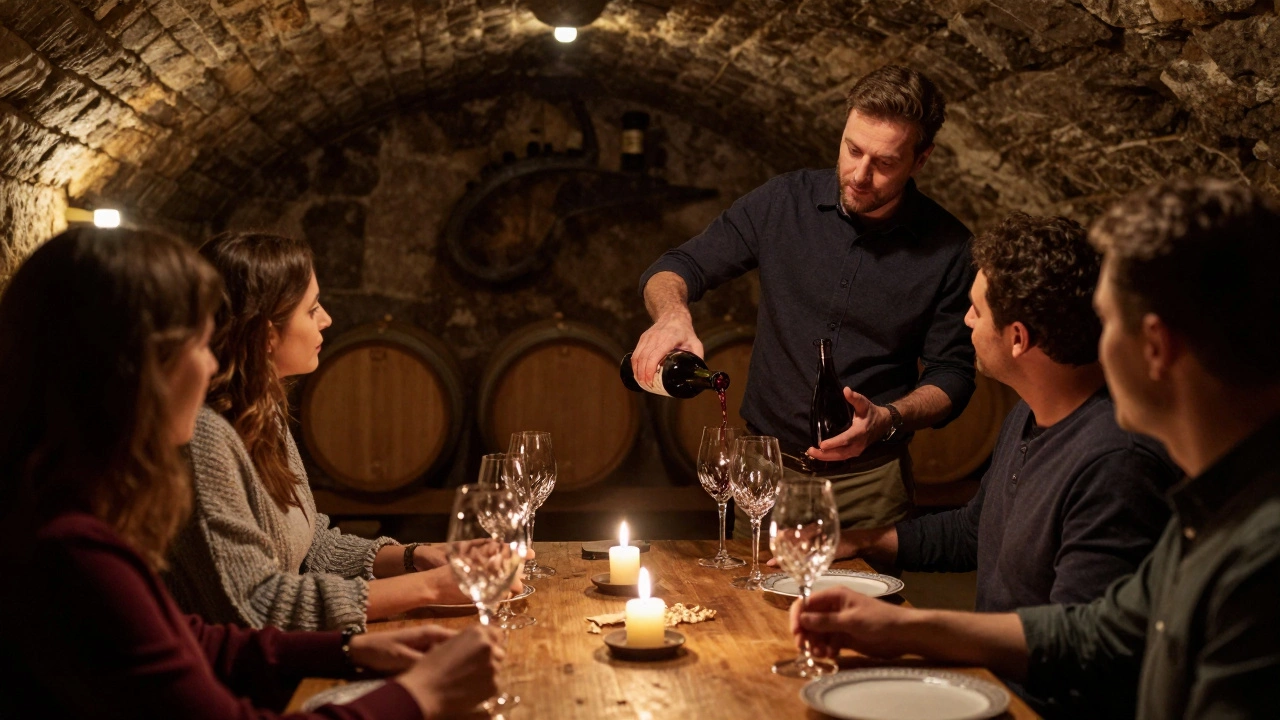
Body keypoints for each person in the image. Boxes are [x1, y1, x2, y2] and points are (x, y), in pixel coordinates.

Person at [789, 179, 1280, 719]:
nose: (1096, 341)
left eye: (1108, 320)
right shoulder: (1212, 507)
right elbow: (1096, 630)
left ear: (1157, 348)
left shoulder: (1253, 550)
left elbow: (1090, 663)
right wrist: (904, 627)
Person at [0, 227, 501, 718]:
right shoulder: (73, 548)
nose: (211, 363)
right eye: (200, 344)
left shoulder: (71, 513)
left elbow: (195, 636)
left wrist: (350, 649)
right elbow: (248, 609)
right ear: (138, 370)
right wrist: (421, 693)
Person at [632, 65, 976, 531]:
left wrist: (887, 417)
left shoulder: (949, 248)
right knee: (748, 605)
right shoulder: (783, 202)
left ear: (920, 159)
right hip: (765, 474)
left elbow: (952, 376)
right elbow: (675, 267)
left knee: (859, 603)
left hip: (868, 484)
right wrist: (672, 315)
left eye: (885, 162)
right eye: (852, 150)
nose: (859, 174)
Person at [165, 232, 514, 631]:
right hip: (241, 681)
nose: (327, 319)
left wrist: (417, 557)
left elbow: (309, 545)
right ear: (266, 335)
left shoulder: (262, 411)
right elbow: (259, 605)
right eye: (311, 309)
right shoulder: (206, 437)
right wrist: (432, 587)